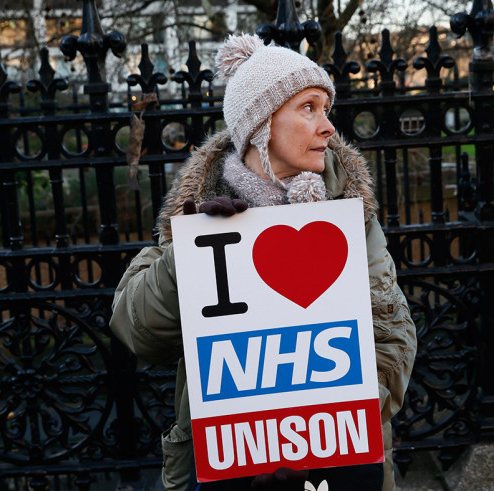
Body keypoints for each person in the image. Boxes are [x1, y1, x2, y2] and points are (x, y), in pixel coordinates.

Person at [110, 33, 417, 491]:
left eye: (326, 109)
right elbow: (137, 332)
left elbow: (395, 339)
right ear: (260, 124)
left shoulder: (351, 219)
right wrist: (187, 257)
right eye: (308, 107)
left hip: (338, 471)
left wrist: (308, 433)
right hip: (226, 472)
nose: (328, 126)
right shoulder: (196, 215)